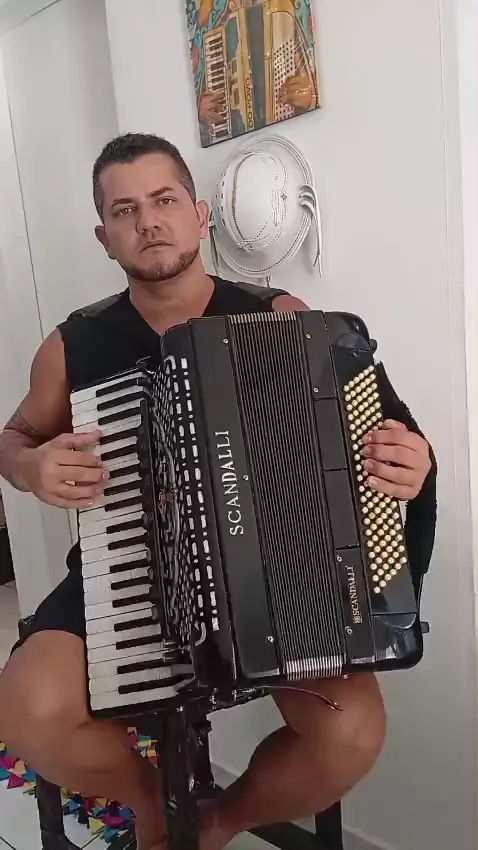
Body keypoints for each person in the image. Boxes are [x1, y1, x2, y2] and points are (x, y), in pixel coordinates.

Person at [0, 133, 435, 850]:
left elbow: (385, 436)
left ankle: (214, 824)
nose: (149, 221)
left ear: (200, 215)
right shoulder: (74, 345)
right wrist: (30, 466)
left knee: (353, 733)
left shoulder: (280, 316)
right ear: (105, 237)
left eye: (165, 199)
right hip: (124, 577)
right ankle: (153, 809)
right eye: (125, 210)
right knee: (27, 710)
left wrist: (410, 464)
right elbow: (14, 437)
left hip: (269, 585)